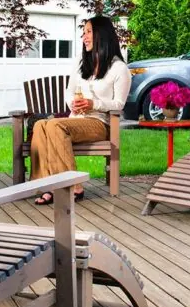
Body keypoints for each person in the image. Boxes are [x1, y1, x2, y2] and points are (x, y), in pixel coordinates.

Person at [31, 16, 131, 205]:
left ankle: (74, 186)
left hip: (99, 123)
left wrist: (94, 104)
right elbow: (69, 93)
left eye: (88, 32)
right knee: (40, 125)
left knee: (55, 125)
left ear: (101, 34)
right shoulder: (81, 63)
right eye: (83, 32)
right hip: (76, 119)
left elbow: (119, 104)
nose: (84, 37)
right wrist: (73, 104)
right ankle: (47, 185)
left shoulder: (119, 68)